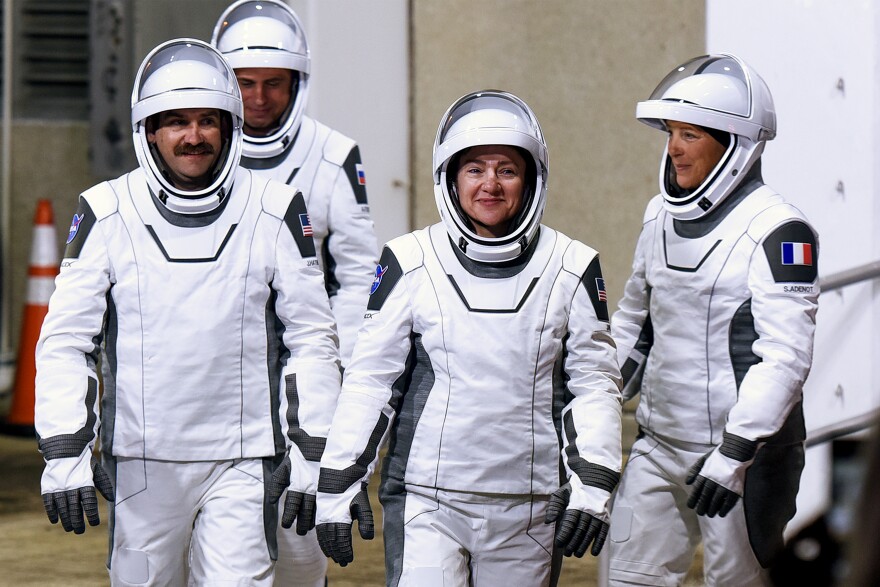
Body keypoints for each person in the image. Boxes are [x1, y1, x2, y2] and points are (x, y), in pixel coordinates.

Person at [34, 38, 341, 586]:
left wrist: (314, 451)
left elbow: (312, 339)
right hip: (141, 466)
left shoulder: (275, 208)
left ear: (229, 127)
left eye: (207, 120)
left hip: (245, 461)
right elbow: (66, 342)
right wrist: (64, 447)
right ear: (149, 130)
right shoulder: (106, 210)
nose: (193, 136)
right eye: (176, 121)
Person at [315, 90, 624, 586]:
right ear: (451, 178)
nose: (490, 184)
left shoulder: (572, 265)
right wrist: (339, 479)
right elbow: (371, 379)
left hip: (530, 507)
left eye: (507, 170)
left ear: (532, 179)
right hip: (427, 502)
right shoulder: (409, 259)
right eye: (475, 169)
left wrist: (594, 481)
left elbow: (594, 384)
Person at [607, 54, 820, 586]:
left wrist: (735, 452)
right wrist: (595, 401)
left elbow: (786, 357)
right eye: (671, 133)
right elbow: (634, 324)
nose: (674, 148)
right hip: (658, 446)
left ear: (733, 144)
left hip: (746, 461)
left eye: (691, 134)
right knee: (627, 577)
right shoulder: (659, 215)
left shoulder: (780, 230)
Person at [210, 3, 379, 584]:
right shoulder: (196, 152)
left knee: (299, 542)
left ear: (296, 83)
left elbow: (359, 276)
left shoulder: (333, 155)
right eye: (245, 83)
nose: (258, 98)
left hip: (303, 375)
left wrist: (341, 369)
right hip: (216, 376)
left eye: (273, 84)